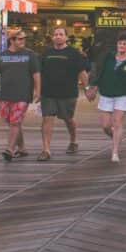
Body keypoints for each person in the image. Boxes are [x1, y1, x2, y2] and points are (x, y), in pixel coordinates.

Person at [0, 30, 41, 162]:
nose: (22, 41)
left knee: (15, 122)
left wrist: (38, 91)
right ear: (12, 40)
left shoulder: (30, 55)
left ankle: (10, 149)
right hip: (5, 94)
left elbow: (36, 74)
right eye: (19, 39)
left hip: (22, 94)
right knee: (10, 121)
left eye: (23, 39)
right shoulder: (1, 56)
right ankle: (22, 148)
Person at [86, 33, 126, 163]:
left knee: (117, 122)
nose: (121, 46)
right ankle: (116, 137)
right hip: (106, 92)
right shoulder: (108, 57)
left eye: (124, 44)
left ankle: (115, 151)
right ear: (117, 45)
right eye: (120, 43)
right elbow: (99, 71)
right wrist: (93, 86)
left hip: (124, 94)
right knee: (106, 125)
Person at [39, 27, 90, 160]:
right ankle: (46, 150)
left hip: (68, 93)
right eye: (55, 34)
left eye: (61, 34)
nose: (58, 36)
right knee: (47, 118)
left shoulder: (74, 53)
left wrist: (87, 89)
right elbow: (38, 73)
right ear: (52, 37)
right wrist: (36, 91)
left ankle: (73, 140)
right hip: (48, 92)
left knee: (68, 119)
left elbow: (82, 72)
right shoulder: (46, 53)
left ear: (66, 37)